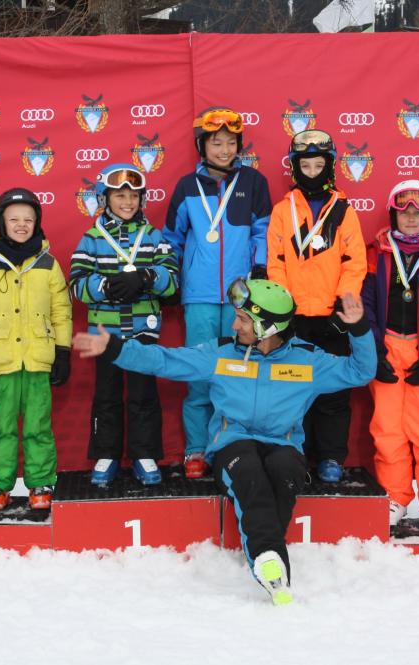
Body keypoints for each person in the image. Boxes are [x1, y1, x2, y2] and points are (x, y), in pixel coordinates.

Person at [72, 279, 376, 605]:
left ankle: (267, 557)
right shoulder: (219, 354)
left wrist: (358, 329)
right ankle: (270, 562)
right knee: (250, 472)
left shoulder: (307, 360)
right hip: (234, 444)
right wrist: (115, 348)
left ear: (267, 327)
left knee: (284, 469)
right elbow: (166, 360)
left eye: (243, 319)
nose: (234, 325)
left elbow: (360, 371)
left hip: (284, 444)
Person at [163, 107, 272, 479]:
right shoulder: (186, 187)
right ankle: (196, 449)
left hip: (241, 298)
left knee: (240, 373)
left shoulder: (253, 182)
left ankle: (233, 446)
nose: (225, 150)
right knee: (200, 373)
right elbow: (172, 238)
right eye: (216, 143)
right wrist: (171, 278)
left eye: (230, 143)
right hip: (200, 297)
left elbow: (262, 231)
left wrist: (259, 268)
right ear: (202, 146)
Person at [266, 129, 367, 483]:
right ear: (295, 168)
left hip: (331, 318)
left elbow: (354, 263)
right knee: (294, 391)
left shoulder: (344, 211)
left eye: (318, 165)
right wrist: (284, 310)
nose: (312, 172)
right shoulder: (283, 211)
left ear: (330, 166)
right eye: (305, 165)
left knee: (333, 393)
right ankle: (295, 453)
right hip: (295, 319)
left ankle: (331, 458)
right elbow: (276, 263)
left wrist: (341, 308)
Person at [69, 164, 179, 486]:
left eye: (134, 196)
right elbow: (76, 285)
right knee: (107, 394)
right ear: (105, 199)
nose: (128, 202)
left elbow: (173, 282)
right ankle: (107, 454)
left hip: (143, 331)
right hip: (105, 334)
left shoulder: (154, 237)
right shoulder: (91, 239)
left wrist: (147, 277)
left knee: (144, 393)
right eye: (120, 196)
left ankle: (144, 454)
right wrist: (104, 287)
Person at [0, 188, 72, 511]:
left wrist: (63, 351)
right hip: (4, 362)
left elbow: (61, 311)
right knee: (2, 425)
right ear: (2, 223)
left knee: (39, 425)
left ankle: (41, 481)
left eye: (28, 219)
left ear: (37, 222)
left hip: (39, 360)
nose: (22, 225)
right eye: (14, 219)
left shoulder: (49, 264)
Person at [362, 180, 419, 530]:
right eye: (404, 212)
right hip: (387, 345)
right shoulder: (376, 254)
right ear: (393, 216)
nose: (412, 218)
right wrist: (374, 349)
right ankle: (394, 497)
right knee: (387, 429)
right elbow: (366, 304)